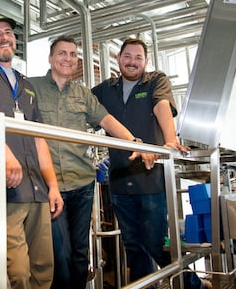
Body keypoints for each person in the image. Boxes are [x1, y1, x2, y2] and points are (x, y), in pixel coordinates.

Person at [91, 38, 208, 289]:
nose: (132, 62)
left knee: (157, 243)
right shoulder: (105, 90)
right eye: (127, 56)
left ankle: (194, 286)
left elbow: (161, 106)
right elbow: (85, 107)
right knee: (133, 247)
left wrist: (170, 140)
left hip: (150, 179)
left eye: (138, 58)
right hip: (120, 181)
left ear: (146, 61)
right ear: (118, 58)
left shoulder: (155, 80)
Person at [29, 35, 143, 289]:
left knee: (81, 253)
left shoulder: (83, 94)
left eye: (72, 54)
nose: (68, 58)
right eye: (62, 53)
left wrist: (133, 140)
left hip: (81, 182)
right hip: (50, 184)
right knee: (60, 253)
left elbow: (106, 120)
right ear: (50, 58)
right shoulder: (32, 87)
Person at [0, 12, 64, 289]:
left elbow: (39, 138)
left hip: (37, 190)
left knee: (44, 271)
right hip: (4, 189)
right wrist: (2, 150)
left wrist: (52, 185)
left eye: (8, 32)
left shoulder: (27, 84)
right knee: (15, 272)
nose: (4, 37)